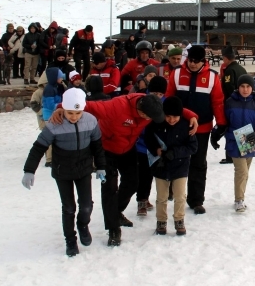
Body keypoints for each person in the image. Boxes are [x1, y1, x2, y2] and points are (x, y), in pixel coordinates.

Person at [49, 94, 198, 246]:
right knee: (110, 188)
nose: (147, 120)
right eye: (146, 117)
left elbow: (172, 106)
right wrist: (61, 107)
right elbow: (87, 105)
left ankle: (115, 212)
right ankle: (113, 229)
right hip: (106, 149)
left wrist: (191, 115)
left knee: (133, 183)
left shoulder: (152, 104)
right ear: (140, 110)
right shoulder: (116, 106)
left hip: (128, 148)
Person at [21, 88, 106, 257]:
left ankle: (83, 224)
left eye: (77, 113)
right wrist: (29, 170)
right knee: (68, 208)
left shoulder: (90, 121)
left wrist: (101, 166)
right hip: (63, 171)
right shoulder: (54, 124)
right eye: (69, 113)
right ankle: (70, 240)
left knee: (87, 205)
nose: (73, 117)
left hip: (83, 169)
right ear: (63, 109)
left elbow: (97, 145)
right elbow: (39, 147)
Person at [165, 45, 226, 214]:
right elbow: (169, 99)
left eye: (196, 62)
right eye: (190, 60)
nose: (192, 64)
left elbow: (218, 102)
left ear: (203, 61)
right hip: (178, 126)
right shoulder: (176, 74)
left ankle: (196, 199)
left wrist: (221, 124)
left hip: (203, 128)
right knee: (175, 159)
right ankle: (172, 192)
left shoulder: (213, 77)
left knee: (198, 164)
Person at [212, 74, 255, 212]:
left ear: (252, 88)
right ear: (238, 88)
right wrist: (216, 134)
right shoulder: (230, 102)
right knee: (241, 171)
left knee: (245, 173)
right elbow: (222, 121)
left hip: (250, 137)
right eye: (242, 86)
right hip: (234, 139)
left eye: (248, 86)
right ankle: (239, 200)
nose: (245, 89)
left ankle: (240, 197)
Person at [145, 96, 197, 235]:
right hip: (161, 166)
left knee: (180, 196)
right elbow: (148, 138)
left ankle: (179, 219)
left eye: (175, 116)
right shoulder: (156, 124)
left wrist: (175, 153)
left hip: (180, 166)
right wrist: (156, 149)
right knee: (161, 197)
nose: (172, 120)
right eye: (168, 116)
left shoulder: (187, 125)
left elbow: (193, 147)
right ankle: (161, 220)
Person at [135, 75, 168, 216]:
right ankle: (142, 200)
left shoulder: (165, 103)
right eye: (155, 94)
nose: (158, 97)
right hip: (142, 145)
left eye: (161, 94)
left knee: (161, 173)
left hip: (159, 145)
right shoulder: (142, 101)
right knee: (144, 175)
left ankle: (163, 197)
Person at [218, 44, 247, 164]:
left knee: (230, 130)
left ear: (226, 58)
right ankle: (246, 152)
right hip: (245, 104)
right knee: (244, 127)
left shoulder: (229, 70)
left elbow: (228, 88)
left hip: (233, 105)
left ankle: (230, 156)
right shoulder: (242, 69)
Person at [30, 70, 53, 166]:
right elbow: (34, 104)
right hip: (43, 119)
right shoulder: (38, 92)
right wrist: (41, 113)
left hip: (53, 117)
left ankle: (51, 155)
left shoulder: (54, 90)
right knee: (48, 137)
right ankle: (49, 159)